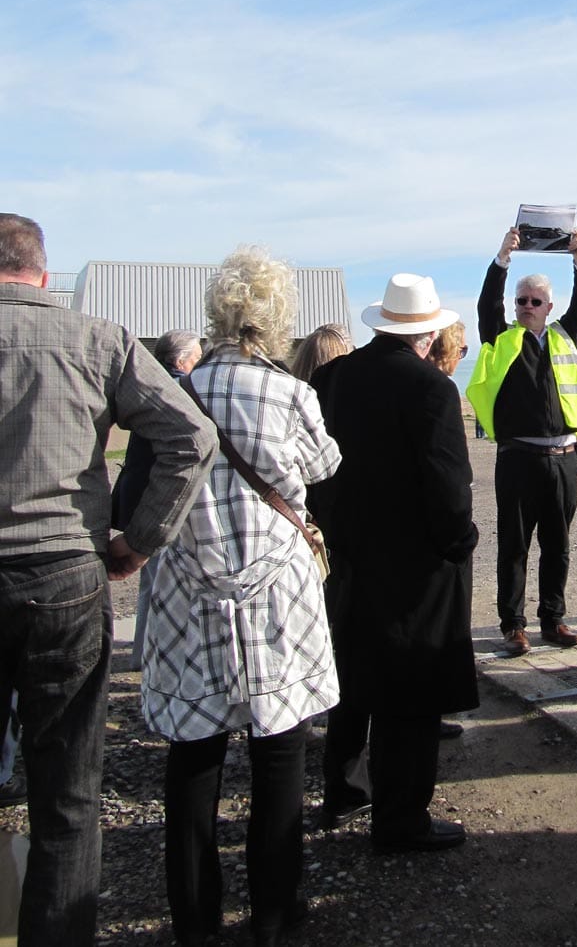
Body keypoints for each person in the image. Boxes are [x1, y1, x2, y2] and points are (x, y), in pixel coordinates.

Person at [0, 213, 217, 947]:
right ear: (41, 271)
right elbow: (192, 434)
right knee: (66, 796)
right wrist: (140, 539)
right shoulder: (98, 340)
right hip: (65, 571)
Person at [141, 247, 342, 947]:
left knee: (194, 758)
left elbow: (144, 482)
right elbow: (325, 463)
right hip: (274, 587)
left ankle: (195, 922)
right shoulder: (290, 392)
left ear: (217, 312)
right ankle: (274, 912)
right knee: (279, 751)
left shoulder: (177, 390)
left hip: (190, 587)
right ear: (277, 316)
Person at [310, 273, 478, 852]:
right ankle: (400, 818)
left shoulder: (332, 375)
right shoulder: (430, 388)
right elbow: (449, 487)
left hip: (347, 555)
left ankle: (343, 788)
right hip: (414, 565)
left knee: (353, 678)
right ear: (428, 334)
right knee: (411, 697)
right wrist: (460, 541)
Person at [466, 226, 577, 655]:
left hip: (564, 458)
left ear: (548, 307)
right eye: (521, 301)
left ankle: (553, 620)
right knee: (515, 547)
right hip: (518, 458)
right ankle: (513, 626)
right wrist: (503, 257)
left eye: (534, 301)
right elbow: (487, 304)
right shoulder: (500, 338)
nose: (526, 307)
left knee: (557, 546)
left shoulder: (564, 336)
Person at [113, 328, 204, 670]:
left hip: (138, 493)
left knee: (150, 583)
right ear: (182, 360)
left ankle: (142, 654)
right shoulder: (179, 390)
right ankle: (152, 658)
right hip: (160, 498)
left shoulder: (149, 387)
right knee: (158, 582)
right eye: (196, 356)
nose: (199, 362)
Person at [426, 319, 470, 741]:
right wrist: (463, 534)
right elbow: (451, 470)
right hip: (436, 530)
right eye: (463, 350)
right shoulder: (439, 390)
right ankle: (429, 712)